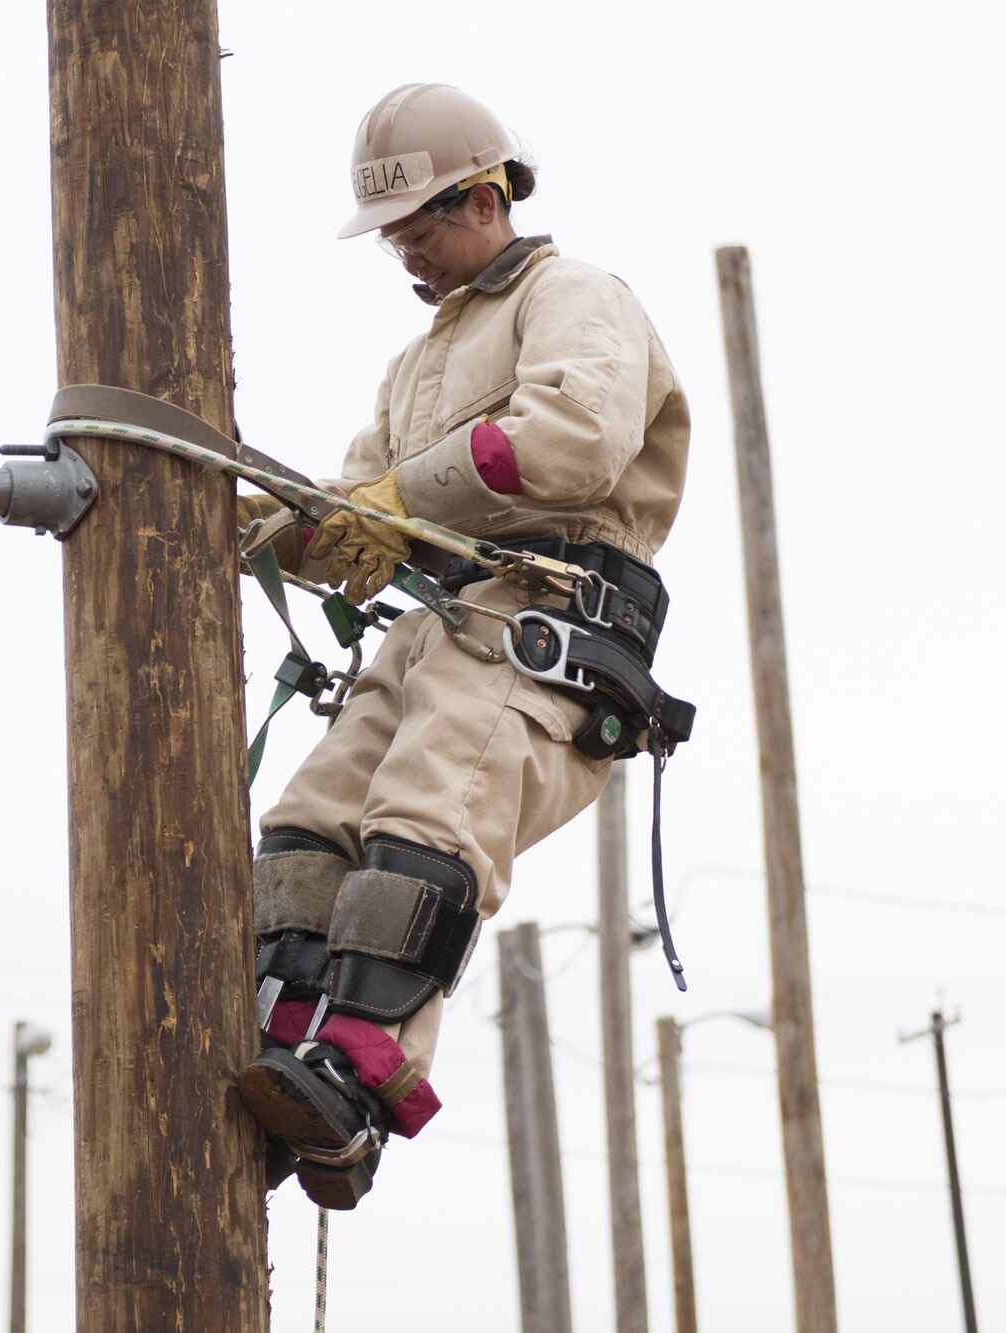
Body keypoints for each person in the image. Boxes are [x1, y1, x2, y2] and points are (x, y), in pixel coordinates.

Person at [236, 82, 691, 1210]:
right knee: (308, 818)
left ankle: (355, 1073)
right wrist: (254, 523)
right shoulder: (416, 365)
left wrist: (388, 503)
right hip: (442, 620)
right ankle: (281, 1032)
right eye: (394, 238)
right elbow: (355, 515)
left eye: (422, 228)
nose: (408, 257)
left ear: (484, 197)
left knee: (428, 811)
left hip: (543, 619)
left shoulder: (574, 297)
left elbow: (574, 438)